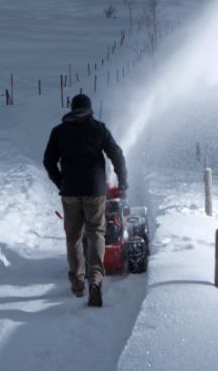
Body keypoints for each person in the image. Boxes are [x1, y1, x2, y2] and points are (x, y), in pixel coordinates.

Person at [43, 93, 128, 307]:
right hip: (94, 190)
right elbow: (116, 154)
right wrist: (123, 180)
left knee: (73, 236)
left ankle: (78, 283)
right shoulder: (98, 128)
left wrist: (61, 182)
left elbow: (48, 161)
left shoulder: (59, 131)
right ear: (89, 110)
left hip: (70, 191)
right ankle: (96, 280)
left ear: (72, 109)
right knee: (96, 233)